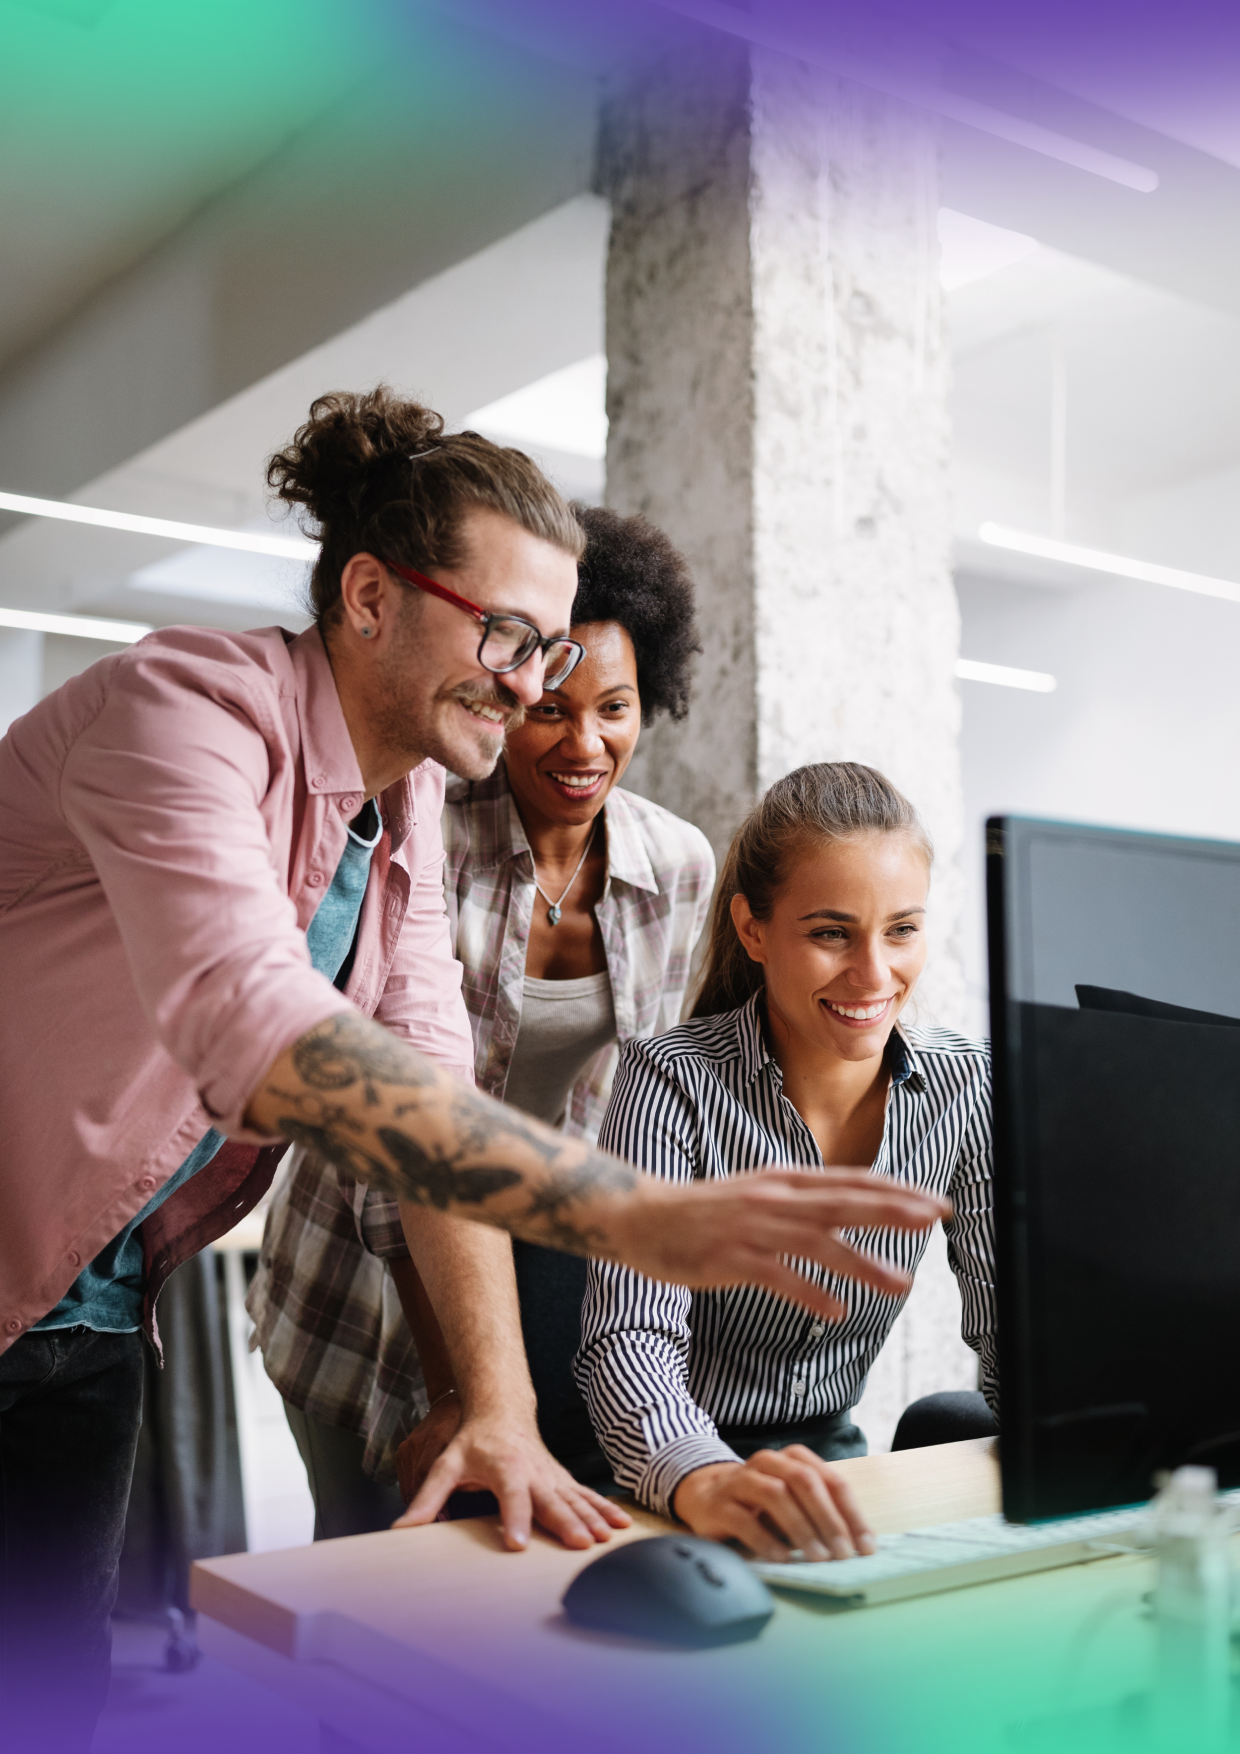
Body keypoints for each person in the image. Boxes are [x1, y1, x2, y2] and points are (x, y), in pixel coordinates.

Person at [0, 390, 949, 1748]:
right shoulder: (186, 707)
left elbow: (424, 1063)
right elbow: (246, 1016)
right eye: (505, 634)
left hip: (84, 1300)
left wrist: (501, 1405)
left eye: (549, 644)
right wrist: (623, 1208)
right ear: (372, 596)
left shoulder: (406, 803)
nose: (530, 679)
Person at [251, 503, 715, 1533]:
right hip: (362, 1285)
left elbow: (634, 1116)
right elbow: (391, 1142)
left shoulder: (675, 866)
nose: (585, 743)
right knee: (372, 1565)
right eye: (553, 706)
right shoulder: (422, 831)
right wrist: (460, 1383)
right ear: (508, 696)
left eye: (617, 707)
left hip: (538, 1289)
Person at [575, 762, 997, 1563]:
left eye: (902, 930)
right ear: (754, 929)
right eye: (831, 933)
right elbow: (630, 1339)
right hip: (667, 1486)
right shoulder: (671, 1079)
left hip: (830, 1474)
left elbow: (1020, 1326)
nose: (875, 975)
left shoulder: (967, 1083)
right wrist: (705, 1480)